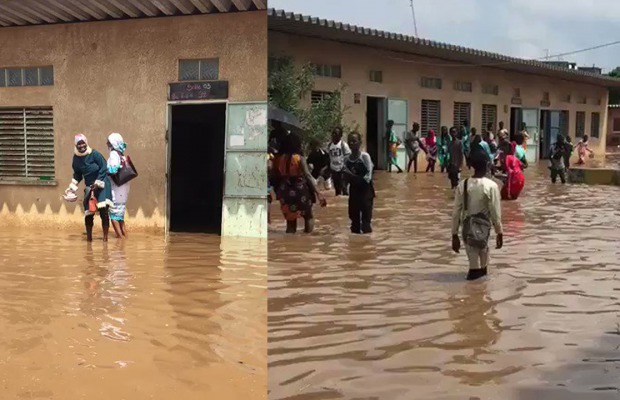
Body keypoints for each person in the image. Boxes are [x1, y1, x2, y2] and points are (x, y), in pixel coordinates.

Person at [451, 147, 503, 281]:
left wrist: (454, 235)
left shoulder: (463, 185)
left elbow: (456, 212)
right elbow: (495, 213)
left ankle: (472, 293)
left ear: (472, 166)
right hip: (484, 230)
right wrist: (499, 232)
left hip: (468, 229)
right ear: (487, 165)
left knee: (473, 265)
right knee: (484, 267)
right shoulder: (491, 186)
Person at [273, 132, 326, 233]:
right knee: (308, 216)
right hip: (300, 191)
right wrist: (318, 193)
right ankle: (307, 241)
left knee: (290, 221)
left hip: (285, 191)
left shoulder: (281, 158)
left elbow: (276, 174)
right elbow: (308, 176)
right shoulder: (299, 158)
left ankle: (290, 245)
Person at [64, 134, 113, 242]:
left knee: (103, 210)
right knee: (88, 212)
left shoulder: (94, 154)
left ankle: (105, 239)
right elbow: (77, 174)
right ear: (76, 145)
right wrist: (72, 187)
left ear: (86, 142)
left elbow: (103, 167)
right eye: (79, 144)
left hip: (102, 184)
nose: (81, 146)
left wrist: (98, 182)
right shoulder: (76, 159)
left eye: (83, 143)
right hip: (89, 186)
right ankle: (89, 240)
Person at [343, 132, 375, 234]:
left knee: (366, 223)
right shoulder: (346, 159)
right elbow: (345, 178)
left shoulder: (365, 157)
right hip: (354, 193)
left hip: (366, 192)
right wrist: (344, 185)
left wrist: (351, 176)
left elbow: (368, 177)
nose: (352, 143)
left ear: (360, 142)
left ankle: (367, 244)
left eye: (354, 141)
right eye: (350, 141)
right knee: (354, 223)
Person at [106, 133, 131, 239]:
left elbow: (113, 169)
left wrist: (103, 171)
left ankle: (120, 240)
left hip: (116, 187)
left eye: (108, 142)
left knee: (113, 215)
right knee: (120, 215)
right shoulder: (121, 154)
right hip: (124, 187)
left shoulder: (113, 154)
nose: (107, 144)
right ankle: (125, 237)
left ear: (112, 143)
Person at [328, 127, 351, 196]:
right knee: (337, 188)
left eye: (336, 134)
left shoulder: (343, 145)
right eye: (333, 133)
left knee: (344, 187)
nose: (334, 135)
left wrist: (345, 167)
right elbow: (329, 157)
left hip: (342, 169)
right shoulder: (330, 145)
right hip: (334, 169)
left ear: (340, 135)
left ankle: (345, 201)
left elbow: (348, 156)